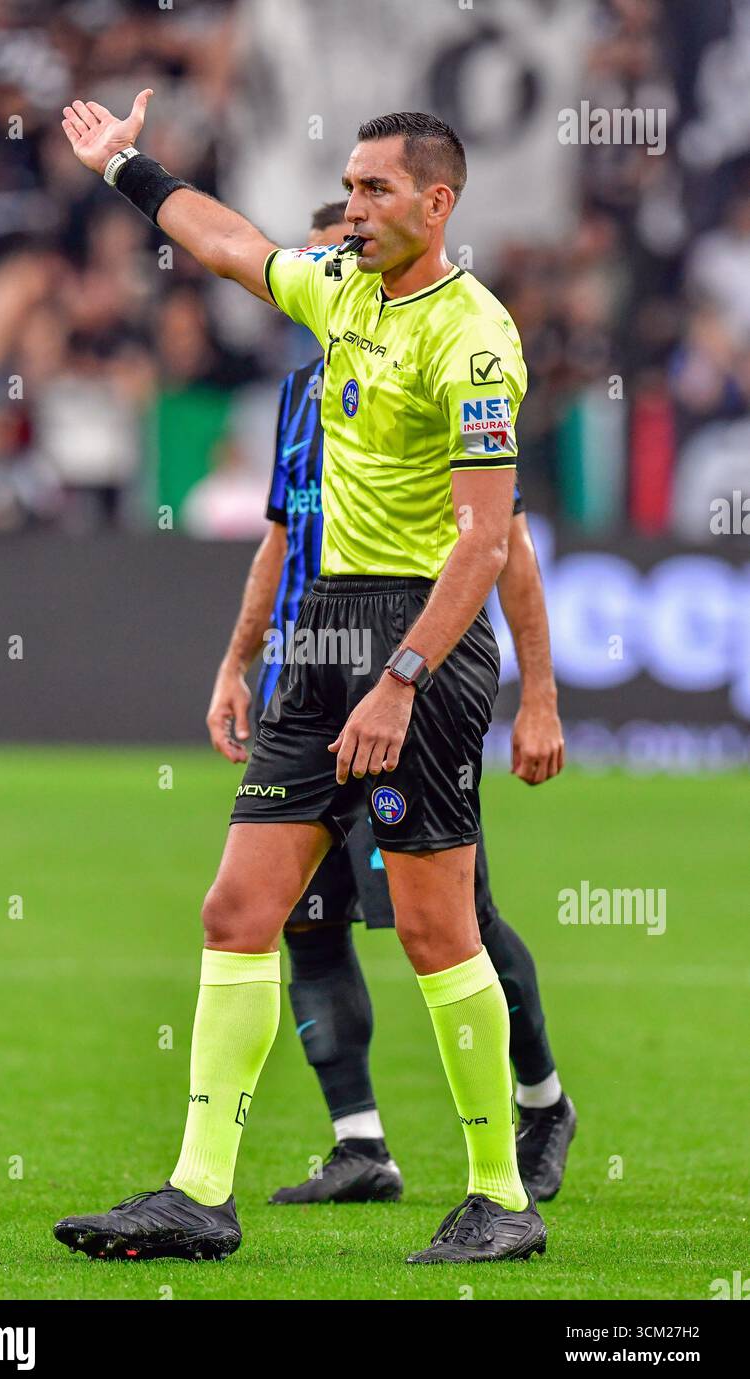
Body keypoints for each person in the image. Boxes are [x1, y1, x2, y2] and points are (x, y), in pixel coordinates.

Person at [55, 91, 553, 1265]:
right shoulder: (336, 286)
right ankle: (197, 1193)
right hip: (321, 628)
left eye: (375, 189)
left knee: (435, 928)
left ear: (437, 203)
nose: (353, 207)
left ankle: (499, 1197)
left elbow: (485, 541)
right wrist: (126, 165)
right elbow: (224, 239)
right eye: (349, 185)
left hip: (413, 635)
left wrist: (403, 679)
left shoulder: (473, 336)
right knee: (237, 909)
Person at [207, 203, 573, 1208]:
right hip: (314, 669)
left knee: (448, 918)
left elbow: (507, 547)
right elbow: (279, 542)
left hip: (406, 663)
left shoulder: (446, 364)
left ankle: (538, 1100)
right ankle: (359, 1141)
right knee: (301, 917)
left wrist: (536, 694)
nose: (344, 273)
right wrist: (239, 662)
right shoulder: (301, 399)